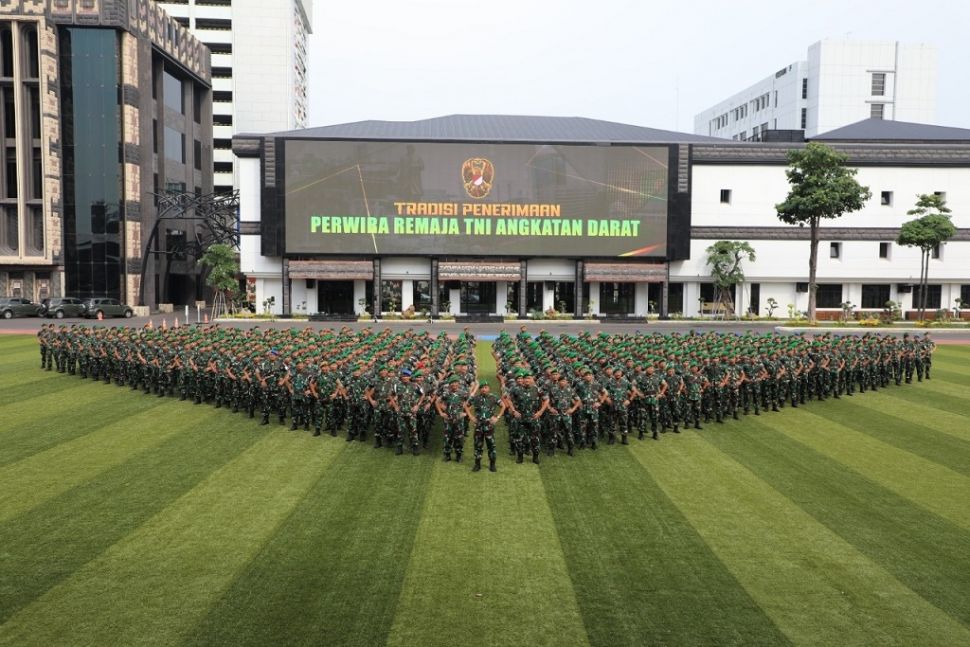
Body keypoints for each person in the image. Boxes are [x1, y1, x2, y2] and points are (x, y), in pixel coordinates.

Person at [464, 380, 506, 472]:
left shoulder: (493, 397)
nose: (484, 389)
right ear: (480, 389)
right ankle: (477, 464)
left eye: (486, 387)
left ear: (489, 388)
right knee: (478, 445)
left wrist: (497, 417)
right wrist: (471, 416)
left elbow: (503, 406)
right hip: (478, 426)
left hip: (489, 426)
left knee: (491, 445)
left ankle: (492, 464)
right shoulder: (475, 398)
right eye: (482, 388)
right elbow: (466, 405)